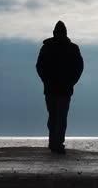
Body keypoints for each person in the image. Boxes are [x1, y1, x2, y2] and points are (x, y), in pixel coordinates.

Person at [36, 20, 84, 153]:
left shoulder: (51, 47)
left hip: (59, 88)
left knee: (56, 116)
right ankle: (56, 142)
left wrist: (71, 81)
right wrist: (71, 81)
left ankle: (55, 142)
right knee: (58, 116)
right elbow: (40, 66)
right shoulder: (69, 48)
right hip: (59, 88)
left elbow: (79, 67)